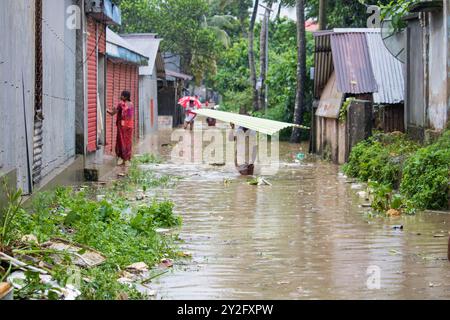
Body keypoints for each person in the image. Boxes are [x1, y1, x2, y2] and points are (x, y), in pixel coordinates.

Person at [107, 91, 134, 166]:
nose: (120, 96)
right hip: (129, 126)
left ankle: (122, 158)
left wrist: (106, 110)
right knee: (128, 142)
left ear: (125, 97)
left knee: (121, 141)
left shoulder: (121, 104)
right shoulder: (131, 104)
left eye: (122, 95)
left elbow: (112, 113)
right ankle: (127, 159)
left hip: (122, 127)